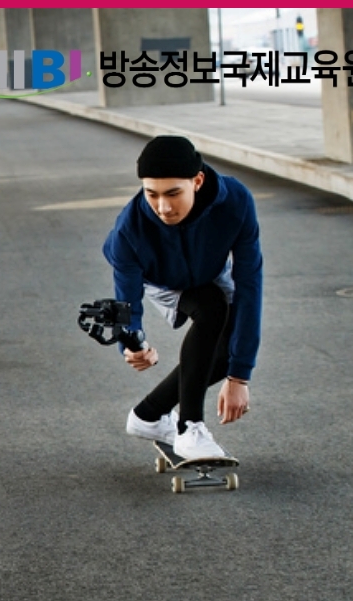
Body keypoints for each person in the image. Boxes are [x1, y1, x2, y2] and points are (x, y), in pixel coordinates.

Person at [103, 135, 261, 459]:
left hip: (212, 269)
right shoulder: (129, 230)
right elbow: (126, 302)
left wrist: (239, 377)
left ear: (197, 181)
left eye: (173, 193)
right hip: (161, 279)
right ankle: (189, 427)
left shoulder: (236, 201)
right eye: (152, 194)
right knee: (211, 306)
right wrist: (132, 343)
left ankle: (148, 415)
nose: (163, 207)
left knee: (230, 347)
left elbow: (249, 284)